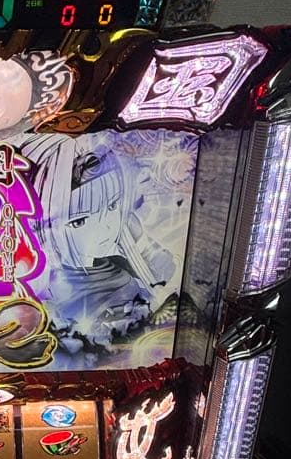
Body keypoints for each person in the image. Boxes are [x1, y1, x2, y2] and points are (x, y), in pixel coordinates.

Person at [20, 134, 176, 357]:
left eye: (112, 207)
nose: (107, 227)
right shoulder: (49, 291)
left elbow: (166, 273)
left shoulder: (120, 262)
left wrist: (138, 239)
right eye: (79, 221)